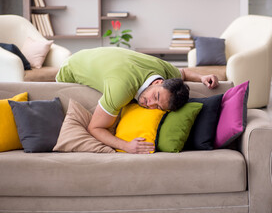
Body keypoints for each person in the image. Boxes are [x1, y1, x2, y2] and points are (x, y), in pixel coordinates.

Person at [56, 47, 219, 154]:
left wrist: (201, 77)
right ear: (158, 82)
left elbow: (182, 73)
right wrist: (126, 146)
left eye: (157, 106)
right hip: (71, 68)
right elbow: (95, 127)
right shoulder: (121, 89)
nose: (149, 104)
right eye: (155, 97)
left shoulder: (164, 73)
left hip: (97, 56)